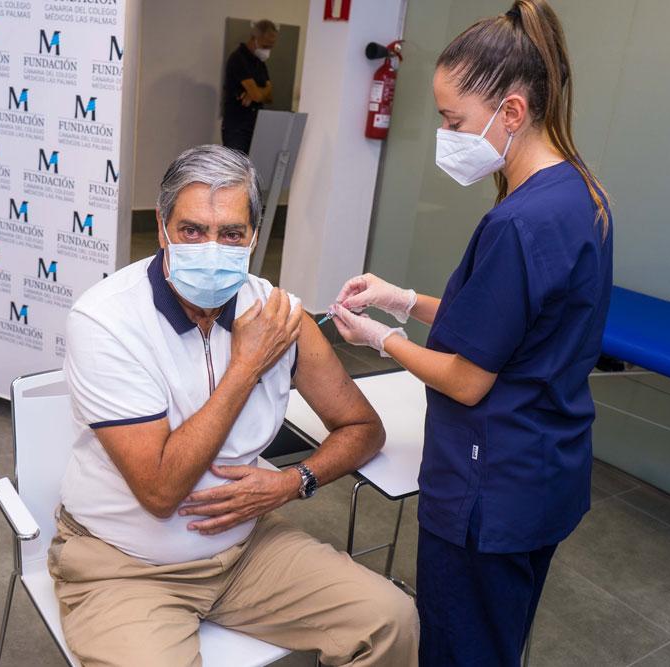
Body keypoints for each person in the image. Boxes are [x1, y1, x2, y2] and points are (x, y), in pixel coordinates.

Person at [52, 144, 417, 667]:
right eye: (192, 231)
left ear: (253, 236)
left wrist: (295, 482)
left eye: (231, 234)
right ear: (162, 229)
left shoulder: (279, 315)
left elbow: (362, 427)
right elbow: (159, 491)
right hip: (124, 564)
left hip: (246, 553)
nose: (212, 248)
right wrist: (245, 366)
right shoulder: (106, 321)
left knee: (390, 618)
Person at [330, 1, 613, 664]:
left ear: (511, 112)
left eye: (454, 120)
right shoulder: (579, 192)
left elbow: (467, 376)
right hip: (544, 468)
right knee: (496, 639)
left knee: (462, 649)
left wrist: (380, 340)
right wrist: (402, 300)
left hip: (492, 488)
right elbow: (503, 321)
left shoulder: (519, 223)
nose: (446, 133)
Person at [221, 19, 277, 154]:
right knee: (236, 170)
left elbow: (269, 96)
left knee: (252, 170)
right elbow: (259, 95)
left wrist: (255, 93)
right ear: (254, 39)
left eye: (271, 46)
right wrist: (258, 93)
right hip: (237, 128)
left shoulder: (260, 63)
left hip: (255, 126)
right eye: (265, 46)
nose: (268, 50)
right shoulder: (238, 59)